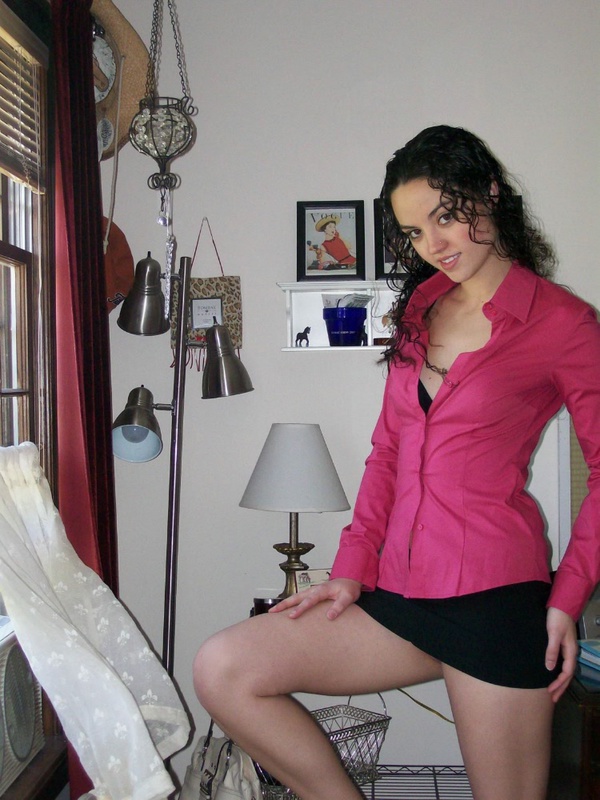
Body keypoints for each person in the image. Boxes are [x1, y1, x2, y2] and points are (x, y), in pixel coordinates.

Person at [193, 126, 600, 800]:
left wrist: (567, 598)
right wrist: (351, 568)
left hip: (495, 600)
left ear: (490, 193)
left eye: (445, 216)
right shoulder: (421, 308)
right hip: (397, 593)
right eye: (414, 232)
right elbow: (388, 451)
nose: (433, 244)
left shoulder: (563, 324)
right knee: (224, 668)